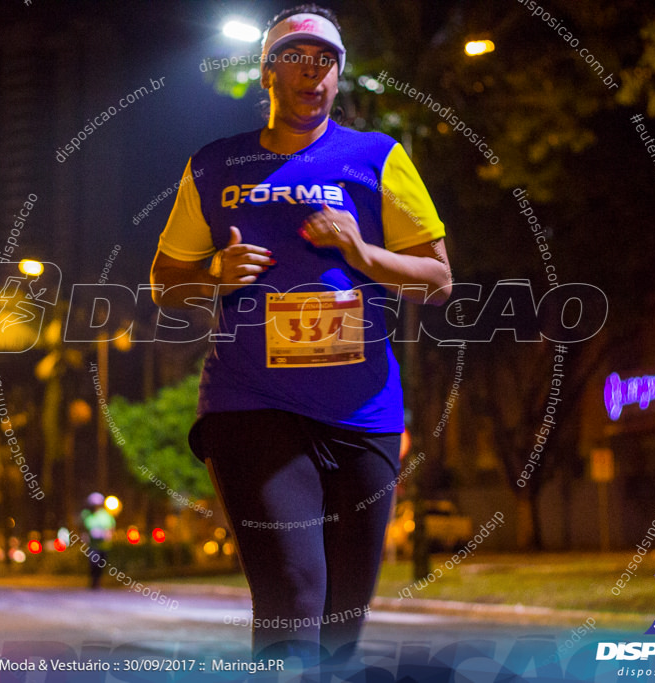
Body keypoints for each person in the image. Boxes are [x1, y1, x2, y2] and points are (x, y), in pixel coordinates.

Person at [150, 4, 452, 665]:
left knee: (342, 623)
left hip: (362, 413)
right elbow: (164, 279)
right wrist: (213, 273)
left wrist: (363, 251)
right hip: (250, 404)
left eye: (325, 61)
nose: (311, 74)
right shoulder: (216, 165)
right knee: (294, 592)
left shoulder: (379, 159)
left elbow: (437, 278)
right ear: (268, 74)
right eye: (295, 60)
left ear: (338, 74)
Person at [80, 492, 115, 588]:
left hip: (103, 544)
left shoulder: (106, 515)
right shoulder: (87, 515)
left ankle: (98, 581)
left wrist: (108, 535)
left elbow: (111, 528)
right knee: (93, 562)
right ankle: (93, 581)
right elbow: (84, 529)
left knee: (101, 564)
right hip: (93, 545)